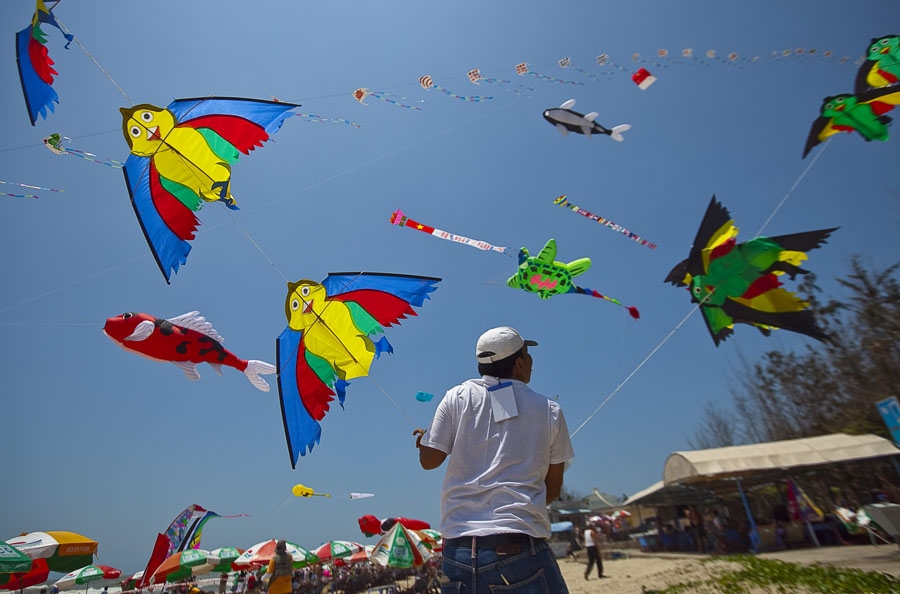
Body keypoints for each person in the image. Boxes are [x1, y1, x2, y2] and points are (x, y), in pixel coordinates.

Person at [414, 325, 575, 593]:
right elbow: (553, 489)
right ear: (521, 364)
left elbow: (429, 460)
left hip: (457, 553)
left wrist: (425, 441)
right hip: (518, 549)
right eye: (529, 356)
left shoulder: (457, 396)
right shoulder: (550, 411)